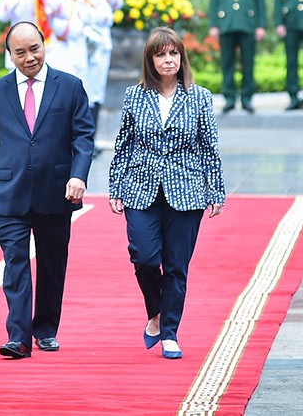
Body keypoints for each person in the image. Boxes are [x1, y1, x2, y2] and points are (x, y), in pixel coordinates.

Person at [0, 21, 95, 359]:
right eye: (20, 52)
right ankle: (18, 336)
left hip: (57, 192)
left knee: (53, 265)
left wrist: (78, 176)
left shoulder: (69, 87)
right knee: (15, 263)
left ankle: (45, 329)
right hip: (9, 193)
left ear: (44, 45)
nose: (29, 58)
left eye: (34, 49)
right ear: (9, 55)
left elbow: (83, 137)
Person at [108, 27, 224, 360]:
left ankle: (170, 332)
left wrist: (215, 189)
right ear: (151, 60)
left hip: (186, 189)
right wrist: (116, 186)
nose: (168, 60)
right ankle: (156, 312)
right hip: (141, 187)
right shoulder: (135, 95)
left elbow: (209, 146)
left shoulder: (199, 96)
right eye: (161, 54)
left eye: (173, 53)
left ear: (182, 57)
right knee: (144, 257)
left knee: (176, 266)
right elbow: (124, 144)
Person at [207, 0, 266, 113]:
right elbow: (214, 1)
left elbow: (260, 2)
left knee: (248, 62)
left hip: (247, 24)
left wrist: (261, 25)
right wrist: (214, 24)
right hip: (226, 25)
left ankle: (247, 98)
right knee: (227, 62)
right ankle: (229, 97)